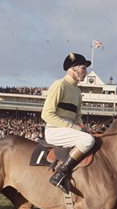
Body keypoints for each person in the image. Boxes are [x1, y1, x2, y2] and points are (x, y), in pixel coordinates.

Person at [41, 52, 95, 193]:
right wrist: (73, 127)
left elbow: (77, 116)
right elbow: (46, 114)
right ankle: (59, 174)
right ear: (73, 68)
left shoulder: (77, 91)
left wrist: (83, 127)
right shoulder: (59, 85)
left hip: (69, 130)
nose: (86, 72)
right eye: (84, 68)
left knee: (92, 137)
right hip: (54, 131)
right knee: (88, 141)